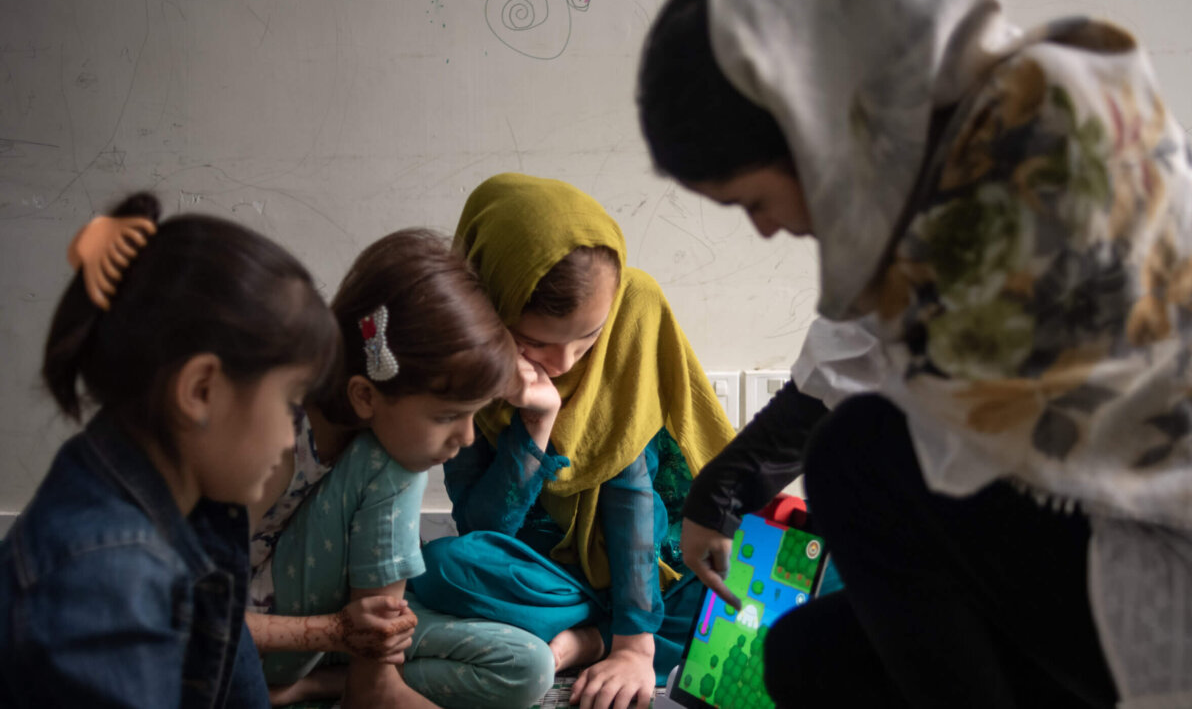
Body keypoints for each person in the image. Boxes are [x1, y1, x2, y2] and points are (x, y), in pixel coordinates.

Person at [638, 0, 1192, 707]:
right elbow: (846, 365)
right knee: (806, 654)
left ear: (808, 123)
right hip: (1111, 559)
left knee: (857, 460)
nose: (764, 229)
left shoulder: (1029, 145)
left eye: (752, 202)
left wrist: (731, 491)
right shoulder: (972, 138)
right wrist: (723, 492)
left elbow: (868, 404)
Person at [409, 172, 735, 709]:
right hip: (548, 573)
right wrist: (536, 426)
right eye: (535, 341)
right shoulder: (464, 345)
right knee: (450, 567)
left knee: (749, 589)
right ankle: (599, 636)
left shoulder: (633, 311)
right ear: (486, 309)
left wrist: (633, 648)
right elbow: (483, 526)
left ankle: (603, 640)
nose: (561, 365)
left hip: (657, 564)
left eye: (587, 338)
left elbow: (635, 499)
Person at [0, 192, 339, 707]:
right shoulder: (108, 583)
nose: (291, 438)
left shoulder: (188, 509)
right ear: (201, 391)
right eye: (290, 403)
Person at [245, 228, 556, 709]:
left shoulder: (376, 416)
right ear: (364, 395)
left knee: (529, 666)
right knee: (394, 460)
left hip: (336, 640)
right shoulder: (275, 442)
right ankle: (374, 685)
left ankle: (319, 690)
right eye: (448, 415)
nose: (467, 437)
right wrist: (333, 631)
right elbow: (187, 621)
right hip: (258, 646)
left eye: (472, 413)